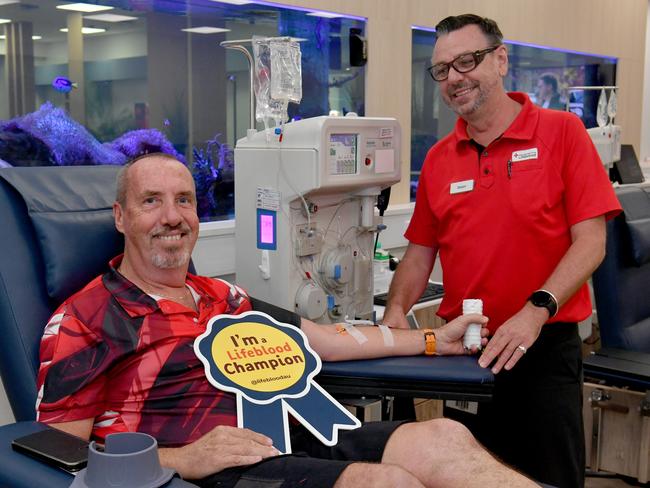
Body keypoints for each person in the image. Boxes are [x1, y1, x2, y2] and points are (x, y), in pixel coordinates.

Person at [35, 153, 537, 488]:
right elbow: (58, 452)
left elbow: (326, 340)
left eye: (183, 200)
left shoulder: (223, 297)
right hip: (209, 470)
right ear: (120, 217)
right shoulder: (85, 318)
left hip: (288, 432)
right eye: (151, 202)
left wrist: (432, 340)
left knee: (444, 438)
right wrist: (182, 459)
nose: (172, 216)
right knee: (386, 484)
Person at [382, 14, 622, 488]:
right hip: (468, 351)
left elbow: (591, 241)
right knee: (466, 476)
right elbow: (418, 253)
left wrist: (535, 310)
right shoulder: (438, 158)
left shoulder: (562, 133)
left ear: (501, 60)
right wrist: (393, 314)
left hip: (544, 348)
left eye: (466, 61)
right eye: (442, 69)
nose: (454, 77)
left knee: (549, 478)